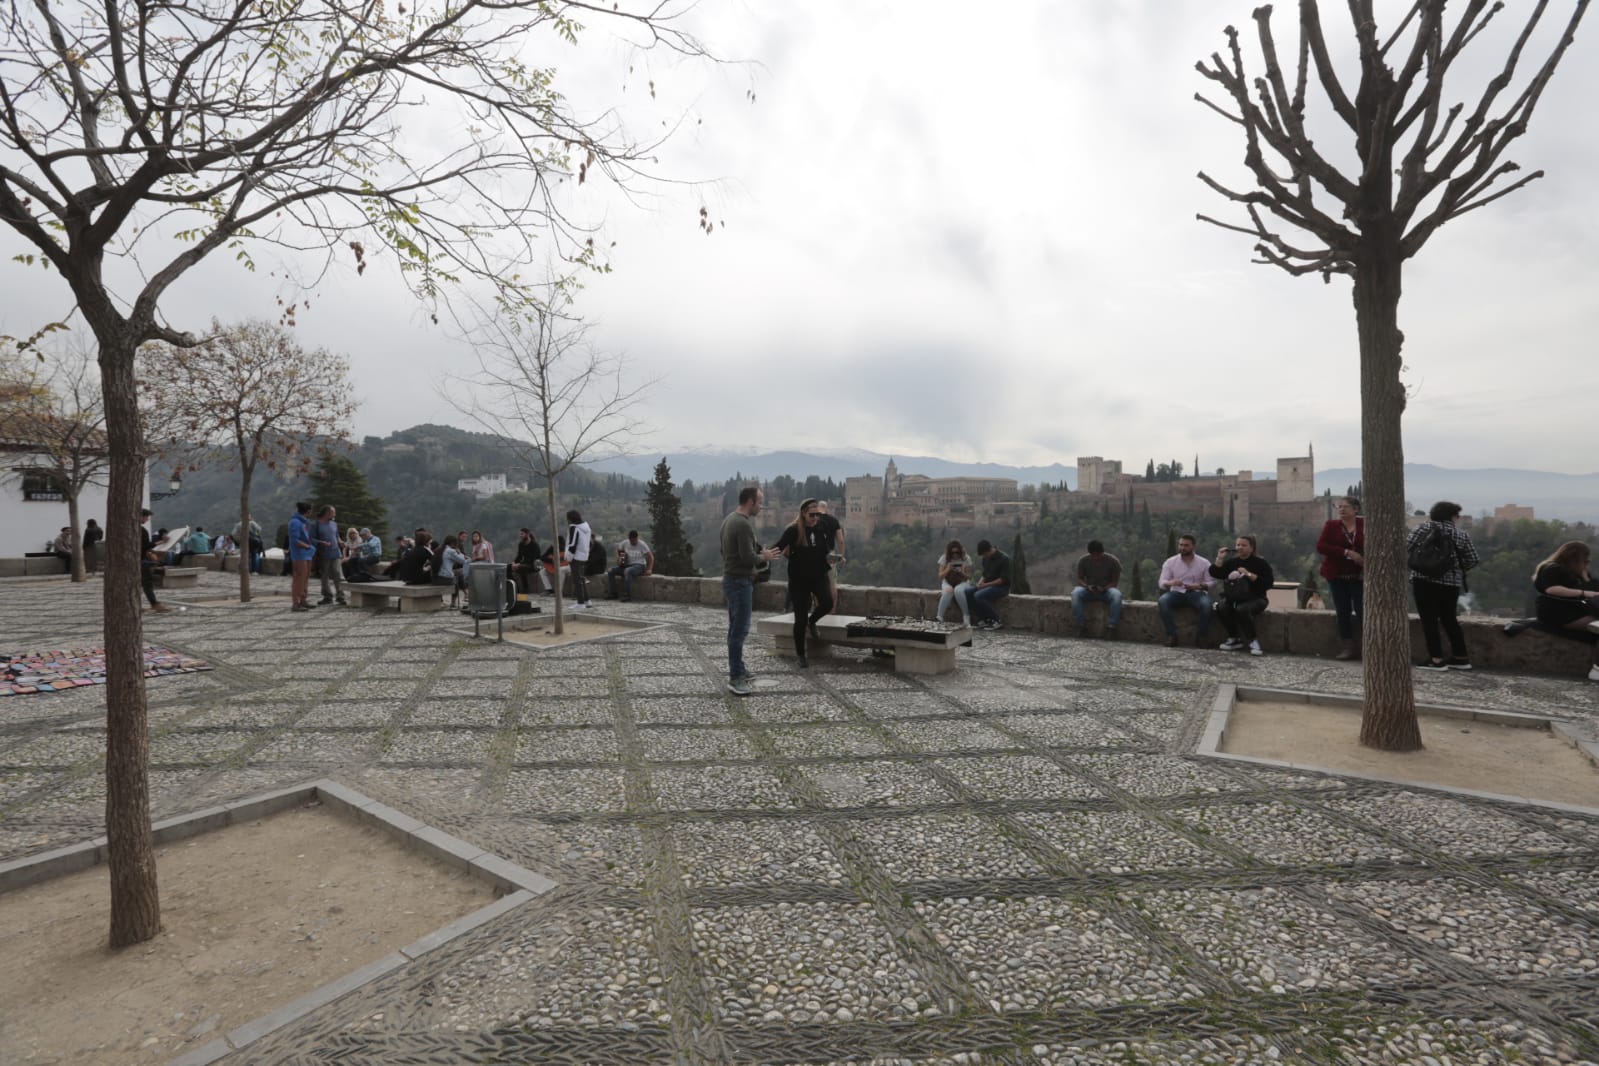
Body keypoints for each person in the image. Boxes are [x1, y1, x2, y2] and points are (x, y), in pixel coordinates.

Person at [720, 486, 781, 695]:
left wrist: (759, 553)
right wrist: (765, 557)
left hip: (731, 579)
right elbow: (748, 558)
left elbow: (727, 550)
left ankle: (738, 668)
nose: (761, 506)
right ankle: (735, 678)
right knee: (740, 630)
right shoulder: (743, 525)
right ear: (750, 502)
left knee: (734, 628)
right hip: (740, 582)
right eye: (760, 501)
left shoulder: (729, 519)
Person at [1408, 500, 1479, 671]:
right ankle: (1461, 658)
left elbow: (1407, 547)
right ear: (1452, 516)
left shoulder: (1422, 529)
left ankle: (1436, 659)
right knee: (1450, 619)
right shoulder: (1461, 535)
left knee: (1429, 620)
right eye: (1457, 515)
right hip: (1451, 584)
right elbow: (1472, 559)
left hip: (1423, 580)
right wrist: (1453, 570)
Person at [773, 500, 833, 668]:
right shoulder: (793, 531)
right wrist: (762, 556)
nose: (815, 518)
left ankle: (812, 621)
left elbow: (825, 550)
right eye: (812, 515)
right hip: (799, 580)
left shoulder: (821, 529)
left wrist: (833, 558)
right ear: (803, 514)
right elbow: (779, 546)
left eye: (817, 515)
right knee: (799, 619)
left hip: (819, 575)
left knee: (827, 603)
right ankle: (801, 655)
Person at [1532, 541, 1599, 682]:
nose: (1586, 564)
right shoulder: (1551, 568)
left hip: (1573, 610)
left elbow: (1594, 592)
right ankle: (1597, 669)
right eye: (1584, 560)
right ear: (1574, 558)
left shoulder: (1576, 572)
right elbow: (1552, 589)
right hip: (1558, 613)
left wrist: (1585, 578)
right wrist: (1582, 592)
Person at [1316, 496, 1365, 660]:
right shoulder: (1331, 526)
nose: (1342, 509)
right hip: (1336, 575)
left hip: (1359, 576)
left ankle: (1369, 646)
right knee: (1342, 611)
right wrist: (1346, 552)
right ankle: (1347, 647)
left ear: (1356, 509)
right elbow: (1321, 546)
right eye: (1340, 507)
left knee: (1362, 610)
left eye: (1346, 507)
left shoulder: (1364, 525)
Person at [1210, 534, 1274, 655]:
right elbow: (1217, 573)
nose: (1240, 547)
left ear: (1252, 548)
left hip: (1257, 598)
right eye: (1238, 545)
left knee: (1241, 609)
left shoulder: (1260, 563)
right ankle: (1233, 638)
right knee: (1222, 607)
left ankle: (1253, 641)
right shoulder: (1233, 562)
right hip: (1235, 597)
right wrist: (1220, 558)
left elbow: (1268, 583)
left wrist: (1248, 574)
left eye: (1244, 545)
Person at [1156, 534, 1214, 647]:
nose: (1183, 548)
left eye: (1186, 545)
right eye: (1181, 545)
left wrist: (1199, 586)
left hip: (1197, 593)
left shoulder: (1204, 563)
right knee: (1163, 601)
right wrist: (1171, 583)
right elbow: (1161, 582)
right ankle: (1171, 635)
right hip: (1176, 592)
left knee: (1207, 605)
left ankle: (1201, 637)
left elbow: (1212, 582)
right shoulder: (1170, 562)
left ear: (1193, 547)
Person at [1071, 540, 1123, 639]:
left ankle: (1111, 627)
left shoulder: (1113, 562)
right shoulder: (1083, 561)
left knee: (1117, 595)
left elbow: (1115, 582)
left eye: (1098, 555)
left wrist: (1104, 588)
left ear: (1102, 552)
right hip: (1089, 590)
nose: (1096, 558)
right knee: (1075, 593)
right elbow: (1080, 578)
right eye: (1093, 555)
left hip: (1107, 590)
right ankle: (1080, 625)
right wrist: (1087, 586)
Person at [965, 539, 1011, 631]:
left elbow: (1002, 580)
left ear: (989, 550)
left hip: (1001, 587)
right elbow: (985, 574)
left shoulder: (1004, 559)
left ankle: (997, 621)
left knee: (979, 595)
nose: (984, 556)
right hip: (987, 585)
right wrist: (980, 582)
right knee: (967, 593)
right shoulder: (986, 558)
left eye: (985, 554)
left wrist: (985, 585)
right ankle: (983, 620)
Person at [813, 500, 846, 610]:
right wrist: (841, 556)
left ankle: (818, 610)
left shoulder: (813, 519)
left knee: (817, 584)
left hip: (815, 555)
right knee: (832, 584)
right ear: (826, 509)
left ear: (817, 508)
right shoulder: (834, 520)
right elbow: (841, 541)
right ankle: (832, 610)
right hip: (830, 556)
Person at [314, 505, 346, 606]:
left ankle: (340, 596)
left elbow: (336, 536)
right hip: (323, 554)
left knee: (338, 574)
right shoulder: (316, 525)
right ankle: (327, 597)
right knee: (325, 576)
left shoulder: (334, 524)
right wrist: (321, 542)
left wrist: (340, 542)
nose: (335, 514)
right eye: (333, 512)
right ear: (327, 513)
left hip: (336, 553)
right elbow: (310, 539)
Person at [935, 539, 973, 626]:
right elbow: (940, 576)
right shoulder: (944, 558)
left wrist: (962, 572)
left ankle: (966, 616)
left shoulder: (966, 558)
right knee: (948, 590)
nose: (955, 555)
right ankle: (939, 617)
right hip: (948, 581)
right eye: (952, 553)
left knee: (958, 590)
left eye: (957, 552)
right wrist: (948, 569)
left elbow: (969, 576)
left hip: (962, 581)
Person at [607, 530, 653, 601]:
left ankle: (627, 595)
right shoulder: (625, 543)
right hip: (627, 565)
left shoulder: (642, 545)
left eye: (634, 540)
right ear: (629, 539)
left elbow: (651, 557)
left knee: (627, 571)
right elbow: (617, 550)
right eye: (631, 541)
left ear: (637, 538)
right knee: (610, 571)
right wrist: (618, 559)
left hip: (639, 566)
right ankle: (613, 593)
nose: (633, 542)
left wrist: (649, 569)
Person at [138, 509, 169, 613]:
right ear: (141, 516)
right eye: (146, 517)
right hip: (140, 560)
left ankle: (135, 605)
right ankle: (154, 604)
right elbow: (146, 546)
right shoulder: (141, 530)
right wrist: (162, 542)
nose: (147, 519)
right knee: (147, 583)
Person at [287, 501, 317, 611]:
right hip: (299, 554)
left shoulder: (303, 522)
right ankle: (296, 603)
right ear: (308, 511)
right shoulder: (295, 522)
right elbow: (294, 540)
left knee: (305, 578)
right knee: (299, 578)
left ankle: (303, 599)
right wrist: (307, 546)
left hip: (306, 554)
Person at [565, 509, 593, 608]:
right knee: (581, 579)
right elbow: (590, 543)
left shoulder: (574, 527)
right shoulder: (586, 527)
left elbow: (572, 543)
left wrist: (569, 556)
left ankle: (580, 603)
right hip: (584, 556)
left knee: (577, 580)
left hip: (576, 557)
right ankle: (587, 600)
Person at [435, 533, 470, 609]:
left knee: (458, 574)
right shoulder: (450, 551)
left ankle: (465, 594)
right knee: (456, 580)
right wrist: (459, 552)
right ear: (453, 543)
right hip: (444, 578)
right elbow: (463, 560)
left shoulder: (439, 549)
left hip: (436, 577)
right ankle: (453, 603)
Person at [509, 528, 542, 595]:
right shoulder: (521, 544)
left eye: (522, 534)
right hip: (524, 564)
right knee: (509, 568)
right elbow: (519, 556)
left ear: (527, 534)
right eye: (520, 534)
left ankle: (526, 588)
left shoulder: (534, 545)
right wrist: (514, 563)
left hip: (534, 565)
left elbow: (534, 559)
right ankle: (516, 588)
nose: (520, 536)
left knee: (521, 568)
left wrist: (519, 564)